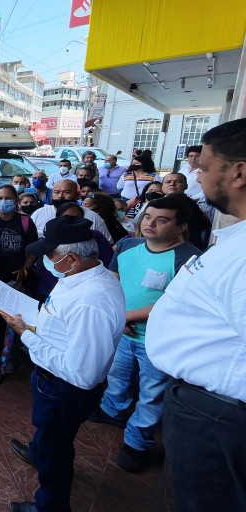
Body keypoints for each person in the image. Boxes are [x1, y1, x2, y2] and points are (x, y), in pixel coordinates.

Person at [146, 118, 246, 512]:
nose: (197, 175)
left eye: (204, 167)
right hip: (209, 412)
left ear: (239, 172)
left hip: (221, 420)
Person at [6, 216, 126, 512]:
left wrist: (28, 337)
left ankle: (50, 506)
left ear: (71, 258)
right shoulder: (76, 277)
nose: (45, 260)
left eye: (50, 255)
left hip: (63, 389)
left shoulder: (91, 300)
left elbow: (83, 374)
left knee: (56, 450)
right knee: (48, 436)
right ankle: (38, 451)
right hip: (50, 380)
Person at [89, 196, 200, 473]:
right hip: (123, 332)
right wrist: (118, 315)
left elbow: (172, 303)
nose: (150, 223)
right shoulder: (127, 246)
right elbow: (112, 284)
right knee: (117, 375)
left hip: (157, 340)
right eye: (148, 216)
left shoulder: (190, 259)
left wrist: (126, 317)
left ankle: (137, 443)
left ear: (181, 227)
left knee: (151, 392)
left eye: (162, 220)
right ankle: (112, 410)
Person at [0, 185, 38, 370]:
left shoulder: (25, 222)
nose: (4, 202)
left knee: (9, 318)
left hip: (14, 278)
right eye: (0, 198)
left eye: (8, 198)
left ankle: (3, 351)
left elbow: (33, 249)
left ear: (16, 200)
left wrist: (26, 268)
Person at [31, 179, 113, 242]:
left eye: (66, 192)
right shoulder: (39, 213)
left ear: (77, 195)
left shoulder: (93, 217)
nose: (60, 196)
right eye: (56, 192)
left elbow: (106, 243)